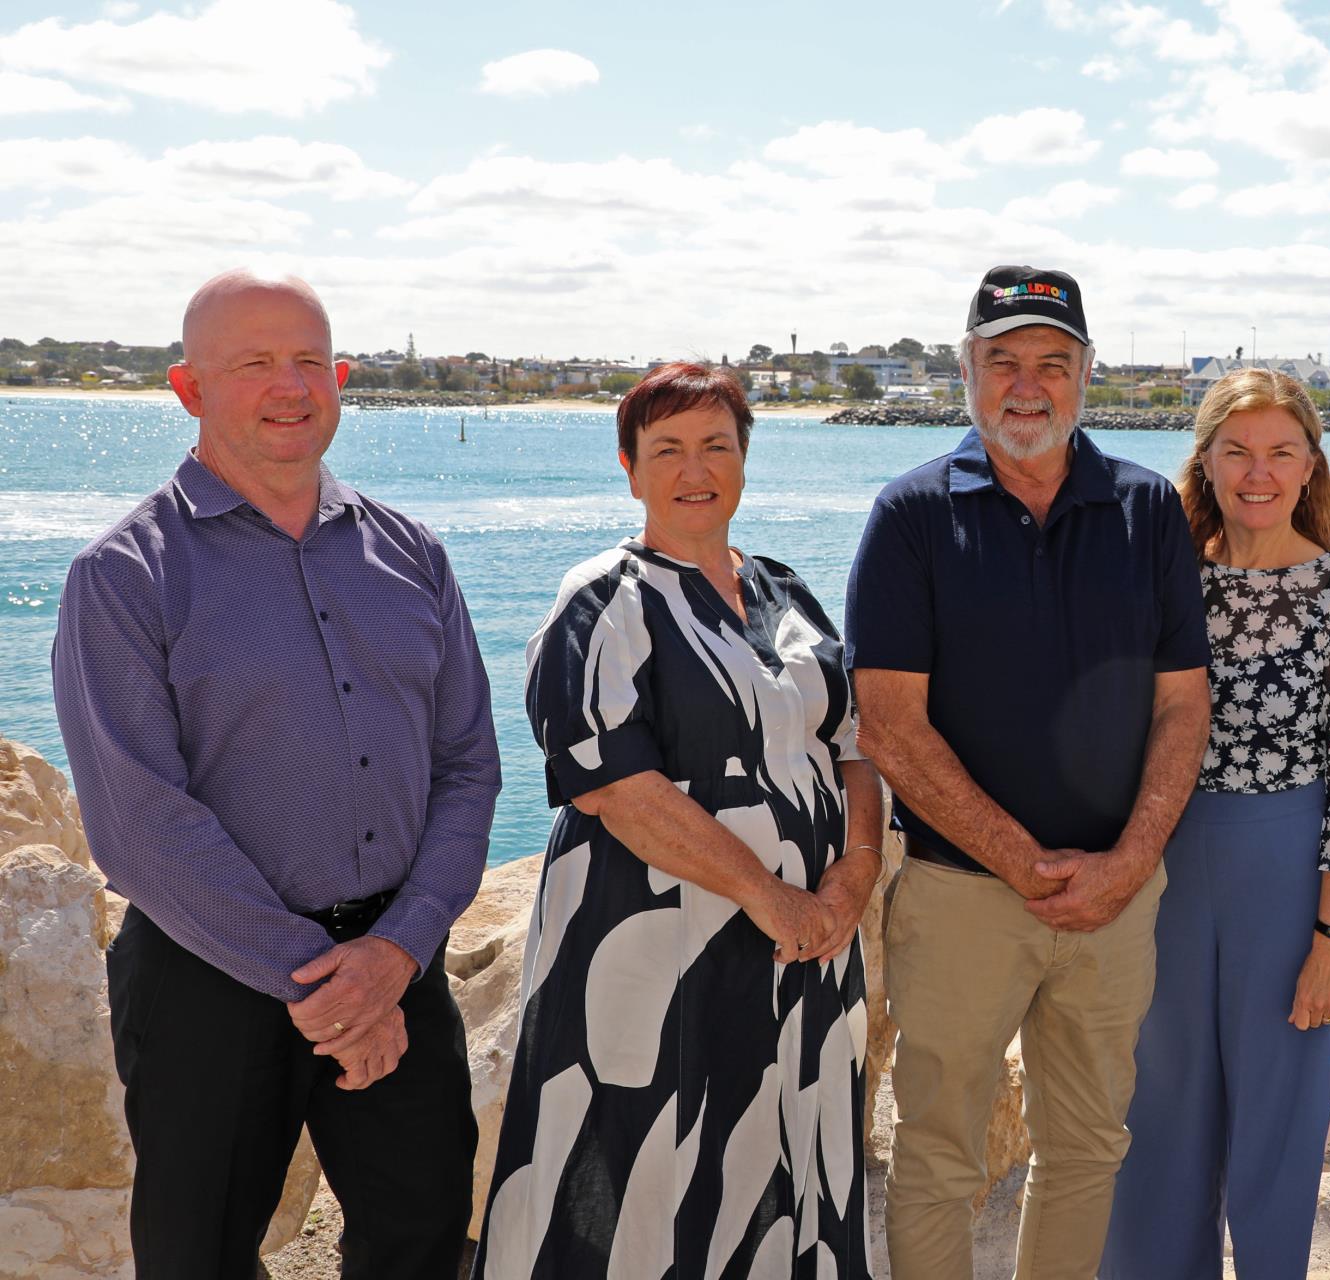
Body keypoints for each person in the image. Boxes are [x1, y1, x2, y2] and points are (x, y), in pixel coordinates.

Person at [51, 269, 500, 1278]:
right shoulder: (122, 574)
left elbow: (469, 765)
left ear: (340, 377)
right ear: (189, 388)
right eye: (253, 362)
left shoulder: (413, 554)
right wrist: (326, 985)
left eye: (307, 360)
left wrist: (396, 954)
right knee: (198, 1254)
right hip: (208, 976)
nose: (287, 384)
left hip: (396, 958)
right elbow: (140, 822)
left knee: (422, 1238)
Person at [473, 362, 883, 1279]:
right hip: (656, 947)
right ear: (630, 468)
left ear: (743, 459)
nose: (694, 468)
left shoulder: (785, 587)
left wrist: (854, 873)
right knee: (645, 1164)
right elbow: (612, 786)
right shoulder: (602, 600)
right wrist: (772, 899)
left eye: (715, 445)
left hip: (808, 946)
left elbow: (854, 741)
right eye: (667, 449)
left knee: (787, 1161)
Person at [846, 264, 1212, 1280]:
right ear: (965, 370)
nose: (1026, 385)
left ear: (1086, 374)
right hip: (963, 897)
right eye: (1002, 361)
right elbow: (889, 725)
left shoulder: (1145, 508)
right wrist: (1020, 860)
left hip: (1116, 900)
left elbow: (1183, 703)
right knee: (936, 1153)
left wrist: (1129, 859)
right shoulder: (910, 513)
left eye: (1052, 363)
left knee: (1090, 1145)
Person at [1100, 368, 1330, 1278]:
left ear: (1310, 468)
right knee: (1157, 1122)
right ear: (1207, 462)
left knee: (1277, 1134)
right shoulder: (1162, 580)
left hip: (1289, 871)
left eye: (1279, 453)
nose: (1258, 472)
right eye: (1237, 451)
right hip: (1164, 868)